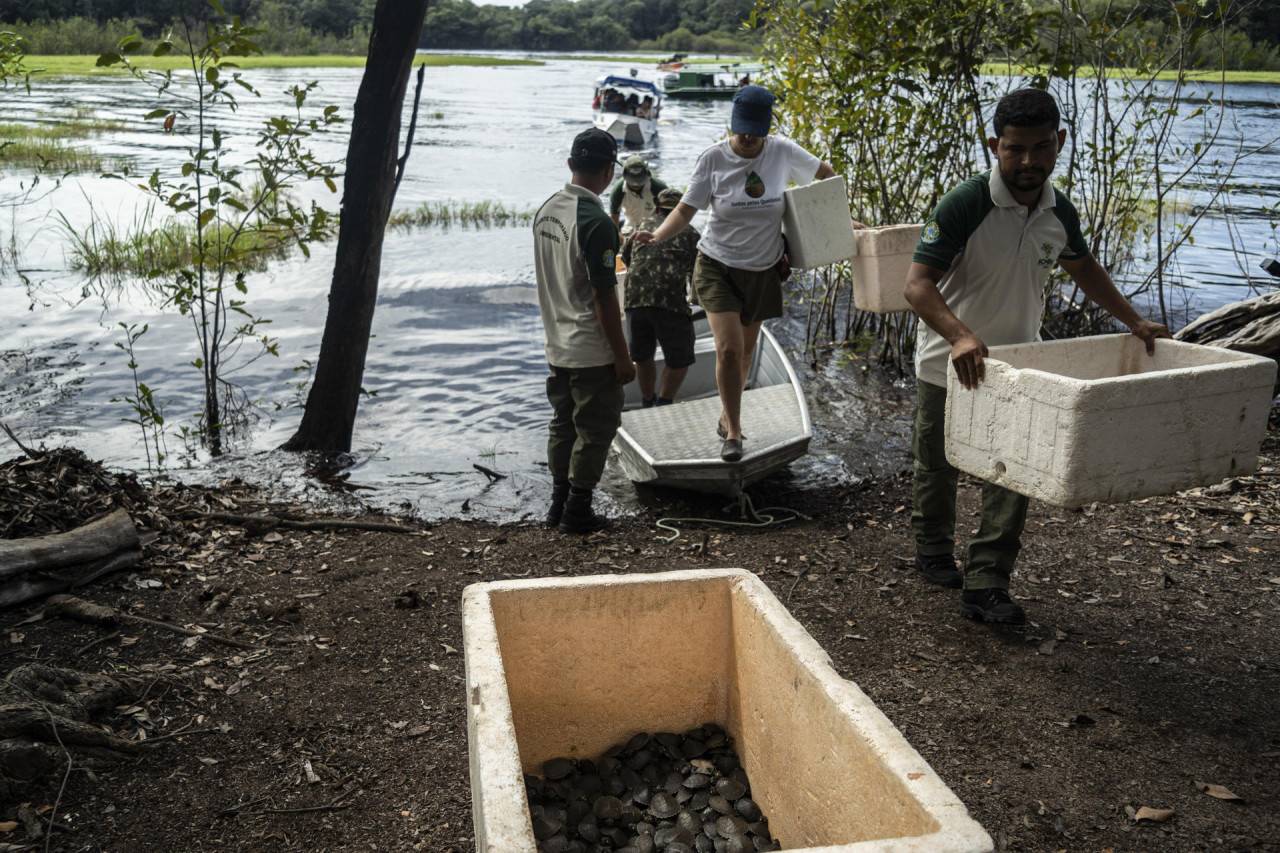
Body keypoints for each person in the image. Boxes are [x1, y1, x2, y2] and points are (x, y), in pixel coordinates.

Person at [904, 87, 1171, 625]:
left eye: (1041, 148)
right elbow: (916, 287)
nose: (1028, 162)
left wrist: (1134, 321)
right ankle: (933, 548)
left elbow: (1083, 267)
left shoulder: (1057, 209)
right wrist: (959, 335)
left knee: (1012, 472)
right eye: (1014, 149)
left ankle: (986, 583)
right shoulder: (966, 203)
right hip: (946, 363)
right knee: (938, 466)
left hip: (1019, 364)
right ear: (993, 146)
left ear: (1060, 143)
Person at [632, 85, 846, 462]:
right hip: (717, 265)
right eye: (741, 128)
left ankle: (724, 414)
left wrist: (839, 222)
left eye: (755, 129)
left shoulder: (782, 151)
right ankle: (734, 432)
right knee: (729, 350)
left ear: (767, 126)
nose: (747, 136)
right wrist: (658, 235)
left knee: (746, 353)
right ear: (731, 123)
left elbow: (826, 177)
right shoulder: (713, 159)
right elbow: (685, 210)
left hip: (763, 268)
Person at [533, 128, 636, 534]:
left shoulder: (547, 210)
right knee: (595, 431)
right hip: (591, 349)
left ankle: (557, 504)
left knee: (563, 425)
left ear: (572, 163)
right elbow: (604, 296)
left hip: (556, 344)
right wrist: (622, 356)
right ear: (610, 171)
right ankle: (577, 512)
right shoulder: (595, 220)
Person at [620, 187, 701, 407]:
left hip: (634, 301)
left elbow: (627, 259)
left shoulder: (640, 226)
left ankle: (648, 401)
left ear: (656, 208)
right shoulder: (691, 233)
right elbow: (698, 274)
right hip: (670, 303)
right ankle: (665, 402)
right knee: (680, 358)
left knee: (642, 357)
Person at [609, 156, 668, 234]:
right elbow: (614, 216)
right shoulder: (618, 190)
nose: (636, 185)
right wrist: (618, 237)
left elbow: (669, 214)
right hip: (630, 228)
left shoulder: (659, 188)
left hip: (655, 230)